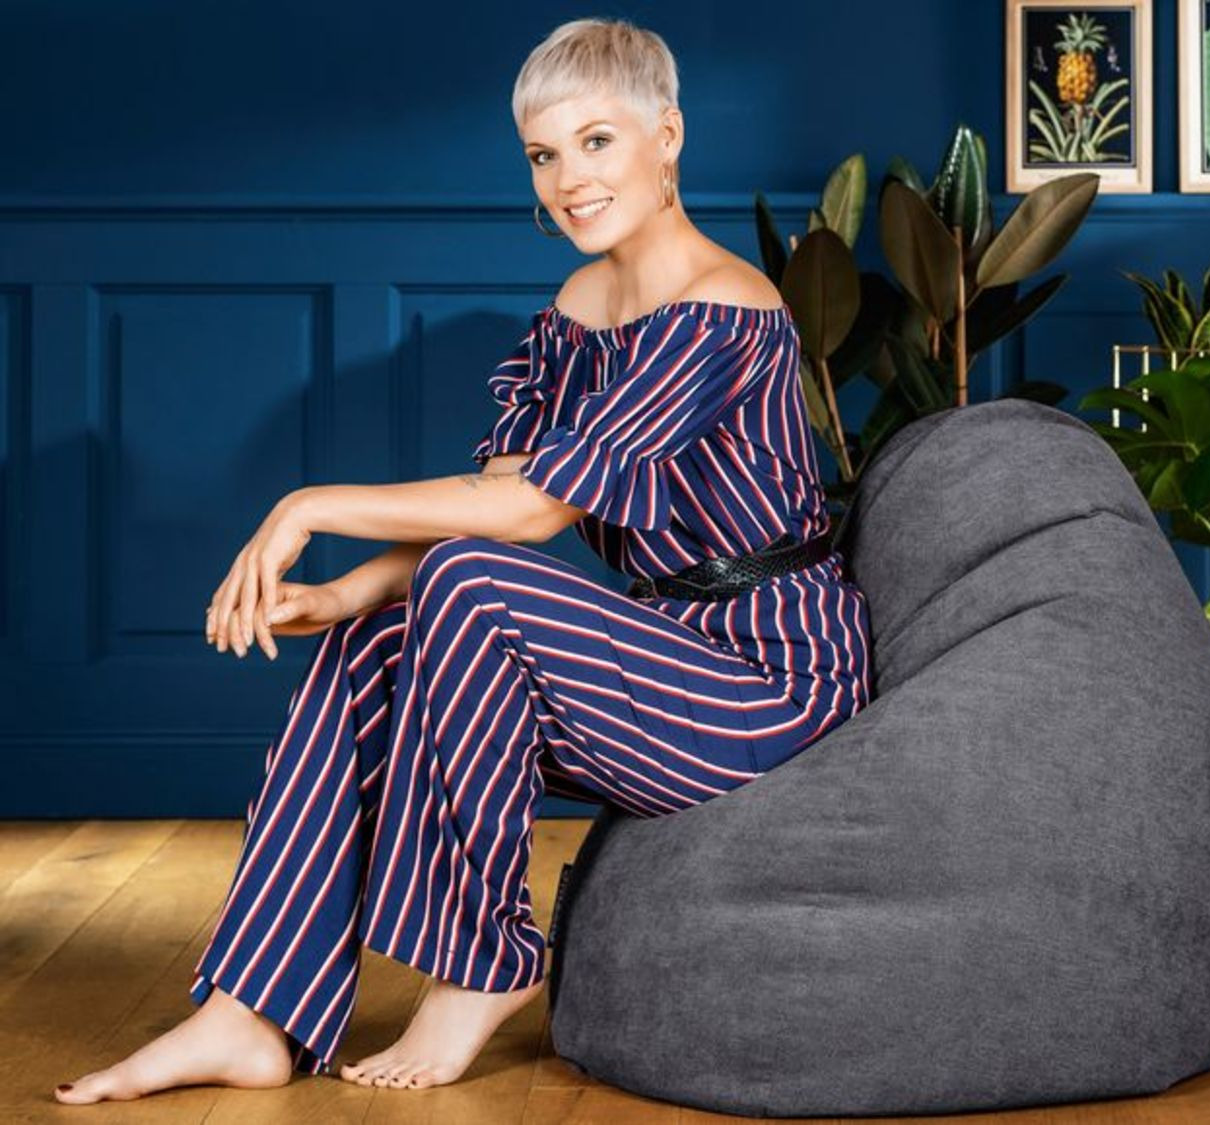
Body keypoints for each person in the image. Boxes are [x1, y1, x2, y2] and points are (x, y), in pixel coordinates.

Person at [53, 16, 871, 1105]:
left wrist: (307, 505)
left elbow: (527, 513)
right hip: (661, 653)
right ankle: (249, 1010)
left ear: (667, 136)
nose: (569, 181)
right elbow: (489, 504)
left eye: (596, 142)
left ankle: (485, 961)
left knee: (469, 584)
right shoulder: (577, 312)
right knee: (378, 640)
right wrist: (344, 590)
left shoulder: (725, 310)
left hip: (768, 680)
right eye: (543, 154)